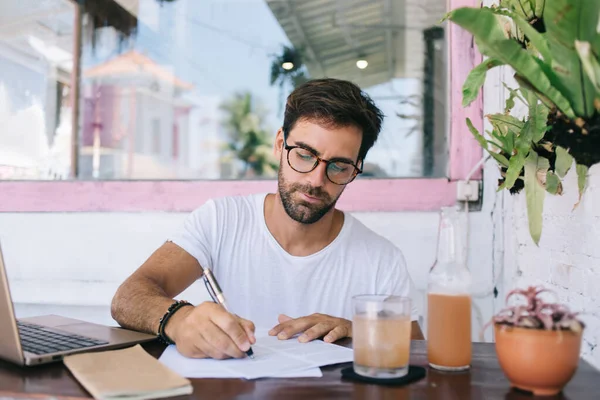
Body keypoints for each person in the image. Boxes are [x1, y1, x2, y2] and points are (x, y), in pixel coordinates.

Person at [111, 78, 423, 360]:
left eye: (339, 166)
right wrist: (178, 321)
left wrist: (357, 330)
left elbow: (416, 348)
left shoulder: (382, 258)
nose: (316, 180)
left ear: (356, 169)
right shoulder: (221, 220)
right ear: (279, 144)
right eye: (303, 155)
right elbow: (128, 297)